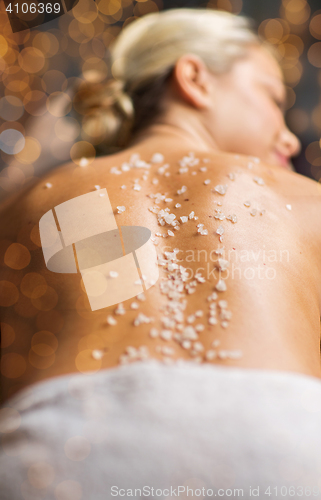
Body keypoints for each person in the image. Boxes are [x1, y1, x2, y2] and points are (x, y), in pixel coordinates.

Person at [1, 8, 321, 498]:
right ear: (194, 78)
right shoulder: (305, 200)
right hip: (285, 444)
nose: (290, 136)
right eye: (273, 97)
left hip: (66, 448)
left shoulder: (42, 198)